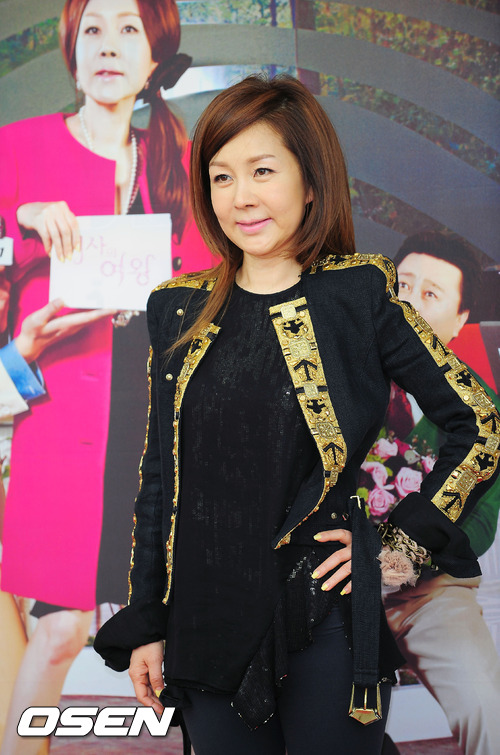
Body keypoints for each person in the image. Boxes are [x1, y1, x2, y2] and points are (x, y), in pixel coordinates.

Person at [94, 75, 499, 755]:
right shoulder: (176, 307)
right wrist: (147, 621)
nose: (240, 196)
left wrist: (400, 546)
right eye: (221, 176)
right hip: (205, 626)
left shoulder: (360, 295)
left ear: (310, 182)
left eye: (262, 171)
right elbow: (159, 481)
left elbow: (479, 424)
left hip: (326, 620)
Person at [0, 1, 212, 752]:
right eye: (92, 29)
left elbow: (210, 290)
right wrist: (21, 222)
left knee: (181, 636)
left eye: (129, 30)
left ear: (155, 58)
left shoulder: (179, 159)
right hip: (57, 425)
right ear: (72, 50)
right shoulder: (17, 148)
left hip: (156, 429)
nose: (109, 46)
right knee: (60, 629)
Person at [366, 231, 500, 755]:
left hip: (431, 591)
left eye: (431, 294)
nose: (410, 304)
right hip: (332, 587)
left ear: (460, 320)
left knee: (488, 710)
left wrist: (394, 566)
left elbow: (480, 523)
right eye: (402, 286)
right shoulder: (338, 380)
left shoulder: (481, 409)